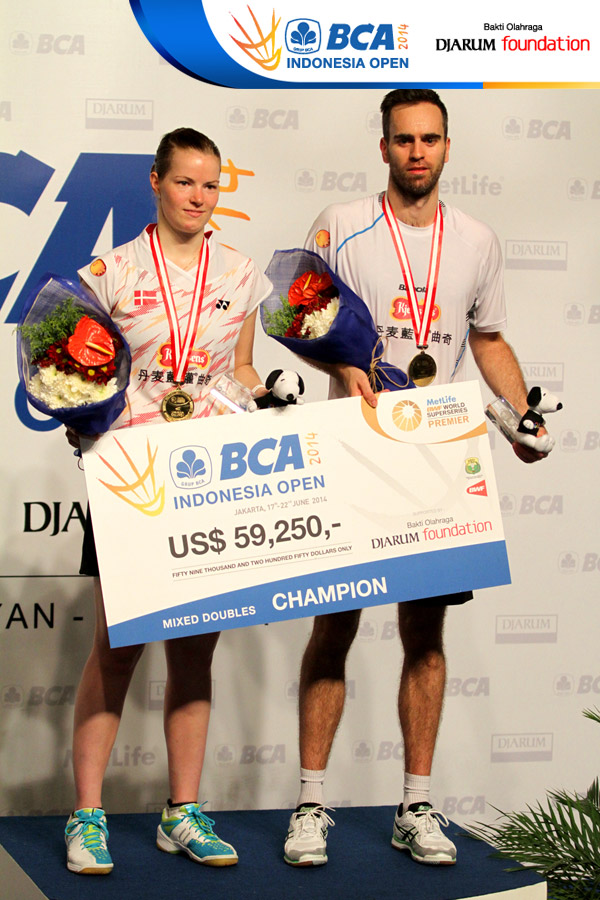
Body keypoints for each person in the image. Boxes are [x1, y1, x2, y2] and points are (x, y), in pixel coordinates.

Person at [283, 89, 548, 868]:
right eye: (404, 139)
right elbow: (298, 319)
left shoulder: (477, 240)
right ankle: (310, 803)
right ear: (384, 148)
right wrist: (343, 366)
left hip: (438, 456)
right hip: (354, 446)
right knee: (335, 624)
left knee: (425, 633)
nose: (417, 152)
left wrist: (522, 413)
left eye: (430, 138)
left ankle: (417, 805)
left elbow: (488, 339)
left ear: (447, 146)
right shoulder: (340, 224)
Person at [64, 128, 271, 874]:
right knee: (116, 649)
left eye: (211, 185)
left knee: (194, 649)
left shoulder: (241, 272)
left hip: (207, 480)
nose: (198, 197)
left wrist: (265, 397)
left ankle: (182, 811)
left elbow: (241, 368)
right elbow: (77, 369)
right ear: (155, 181)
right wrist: (79, 413)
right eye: (185, 181)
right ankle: (86, 817)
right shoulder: (111, 272)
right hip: (129, 478)